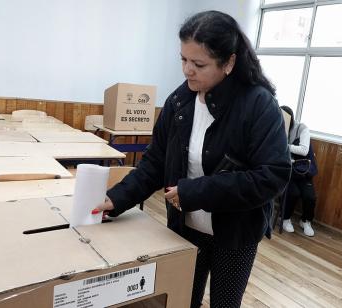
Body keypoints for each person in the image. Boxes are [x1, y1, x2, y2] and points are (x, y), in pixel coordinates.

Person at [94, 10, 291, 308]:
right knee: (182, 300)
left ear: (229, 63)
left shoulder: (258, 105)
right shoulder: (179, 101)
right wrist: (117, 198)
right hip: (185, 229)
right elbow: (155, 162)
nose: (188, 70)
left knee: (224, 304)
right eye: (183, 60)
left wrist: (194, 192)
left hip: (236, 233)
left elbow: (272, 176)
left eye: (199, 64)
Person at [280, 105, 317, 237]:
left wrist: (285, 146)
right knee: (293, 193)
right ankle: (285, 218)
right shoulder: (278, 128)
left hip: (303, 169)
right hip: (289, 170)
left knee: (310, 197)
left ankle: (306, 221)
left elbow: (304, 150)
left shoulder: (302, 128)